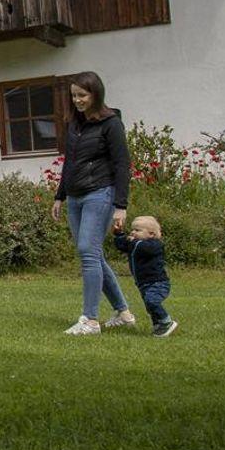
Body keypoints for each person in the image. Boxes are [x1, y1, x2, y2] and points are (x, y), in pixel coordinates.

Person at [49, 71, 136, 335]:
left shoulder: (111, 124)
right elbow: (70, 162)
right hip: (75, 196)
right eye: (74, 95)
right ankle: (123, 313)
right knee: (93, 255)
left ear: (95, 94)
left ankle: (90, 320)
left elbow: (122, 165)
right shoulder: (74, 124)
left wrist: (121, 205)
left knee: (88, 251)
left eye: (82, 95)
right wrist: (60, 196)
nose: (77, 100)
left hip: (100, 193)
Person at [113, 214, 178, 338]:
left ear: (151, 234)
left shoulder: (154, 245)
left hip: (158, 283)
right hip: (144, 283)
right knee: (149, 306)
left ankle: (166, 321)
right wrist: (119, 234)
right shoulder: (136, 244)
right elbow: (122, 246)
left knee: (152, 301)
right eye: (132, 229)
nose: (133, 232)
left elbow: (142, 248)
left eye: (137, 230)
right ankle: (158, 324)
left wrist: (132, 241)